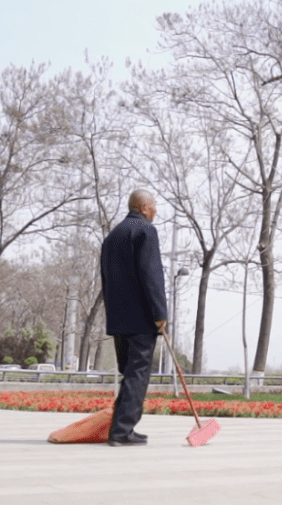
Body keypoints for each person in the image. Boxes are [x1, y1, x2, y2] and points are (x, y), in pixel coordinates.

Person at [100, 189, 168, 446]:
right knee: (138, 373)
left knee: (129, 373)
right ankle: (121, 431)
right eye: (154, 207)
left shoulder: (113, 236)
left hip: (118, 318)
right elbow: (152, 274)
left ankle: (120, 426)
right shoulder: (145, 231)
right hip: (141, 318)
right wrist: (160, 313)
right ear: (144, 207)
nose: (156, 212)